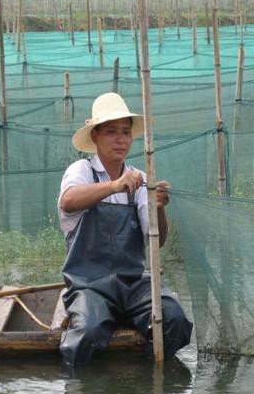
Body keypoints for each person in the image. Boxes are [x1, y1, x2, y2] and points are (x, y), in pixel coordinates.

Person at [57, 92, 193, 365]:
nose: (121, 139)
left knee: (174, 320)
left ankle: (142, 384)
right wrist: (114, 186)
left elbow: (158, 240)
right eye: (111, 132)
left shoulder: (140, 178)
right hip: (90, 286)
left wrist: (159, 208)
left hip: (133, 284)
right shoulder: (81, 171)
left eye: (126, 132)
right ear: (95, 136)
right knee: (87, 333)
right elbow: (68, 201)